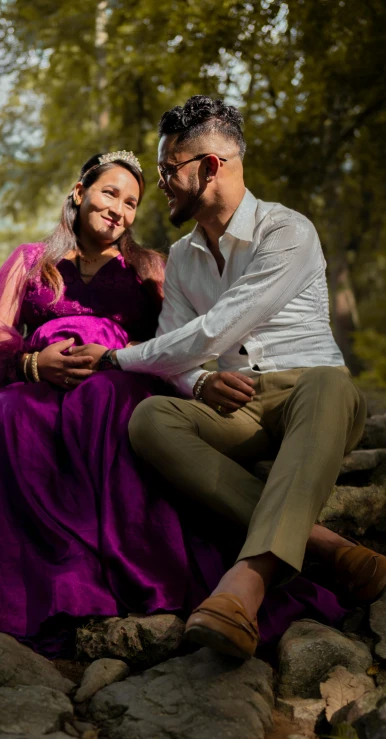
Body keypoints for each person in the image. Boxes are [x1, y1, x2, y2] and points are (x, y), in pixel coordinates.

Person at [0, 150, 352, 657]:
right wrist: (35, 362)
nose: (119, 208)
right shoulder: (33, 260)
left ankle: (116, 568)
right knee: (11, 414)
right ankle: (36, 576)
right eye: (109, 193)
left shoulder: (150, 266)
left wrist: (190, 377)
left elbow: (183, 339)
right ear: (79, 193)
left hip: (117, 377)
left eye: (132, 202)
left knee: (107, 401)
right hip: (36, 381)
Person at [70, 98, 386, 660]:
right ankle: (324, 545)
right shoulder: (185, 257)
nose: (161, 183)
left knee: (329, 385)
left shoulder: (287, 230)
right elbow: (180, 345)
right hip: (240, 405)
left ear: (210, 167)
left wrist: (116, 358)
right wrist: (197, 385)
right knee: (150, 418)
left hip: (314, 392)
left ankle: (247, 585)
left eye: (169, 169)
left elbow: (218, 327)